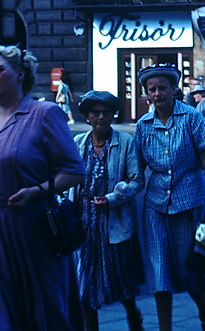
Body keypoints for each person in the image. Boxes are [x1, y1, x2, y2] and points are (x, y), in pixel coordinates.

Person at [0, 45, 86, 329]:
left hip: (30, 230)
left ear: (20, 73)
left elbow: (74, 171)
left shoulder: (44, 114)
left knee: (41, 309)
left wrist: (37, 191)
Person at [133, 63, 205, 331]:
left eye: (162, 88)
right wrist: (120, 191)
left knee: (189, 269)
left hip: (188, 200)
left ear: (174, 89)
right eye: (151, 90)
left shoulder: (191, 117)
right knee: (159, 272)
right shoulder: (143, 125)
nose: (157, 94)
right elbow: (137, 169)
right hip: (155, 205)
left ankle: (204, 312)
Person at [73, 90, 144, 331]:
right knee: (84, 286)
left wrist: (113, 198)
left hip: (115, 226)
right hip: (84, 227)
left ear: (113, 116)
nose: (101, 118)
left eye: (105, 113)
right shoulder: (78, 144)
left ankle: (134, 318)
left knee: (123, 284)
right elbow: (68, 179)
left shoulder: (125, 142)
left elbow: (137, 181)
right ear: (88, 117)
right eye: (95, 113)